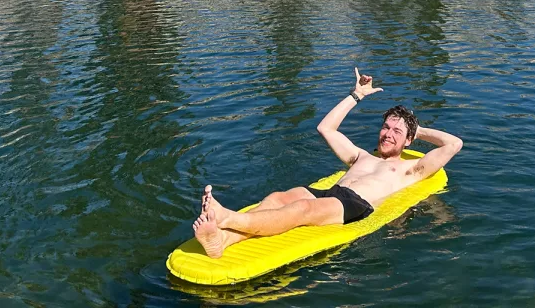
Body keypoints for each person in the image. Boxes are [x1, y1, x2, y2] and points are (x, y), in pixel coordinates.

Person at [192, 67, 463, 258]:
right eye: (386, 127)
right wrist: (356, 96)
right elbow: (326, 129)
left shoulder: (410, 169)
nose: (388, 134)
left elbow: (454, 144)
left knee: (303, 209)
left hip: (356, 205)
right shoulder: (361, 155)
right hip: (332, 193)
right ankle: (224, 239)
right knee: (279, 197)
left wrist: (415, 128)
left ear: (409, 140)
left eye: (397, 132)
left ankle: (228, 218)